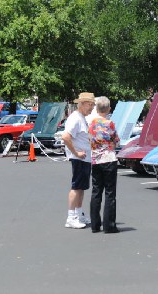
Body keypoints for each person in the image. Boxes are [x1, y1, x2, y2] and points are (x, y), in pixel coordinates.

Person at [62, 92, 95, 229]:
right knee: (76, 187)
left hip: (84, 158)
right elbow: (65, 137)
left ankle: (78, 213)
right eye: (90, 104)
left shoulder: (81, 118)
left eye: (93, 105)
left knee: (81, 187)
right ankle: (71, 217)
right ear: (81, 104)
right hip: (79, 158)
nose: (92, 107)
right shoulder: (75, 118)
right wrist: (76, 152)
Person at [88, 96, 120, 234]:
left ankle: (95, 225)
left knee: (96, 191)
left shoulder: (92, 124)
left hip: (95, 159)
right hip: (109, 158)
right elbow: (116, 141)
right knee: (110, 193)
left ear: (96, 108)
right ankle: (109, 225)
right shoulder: (110, 123)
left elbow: (89, 140)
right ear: (108, 109)